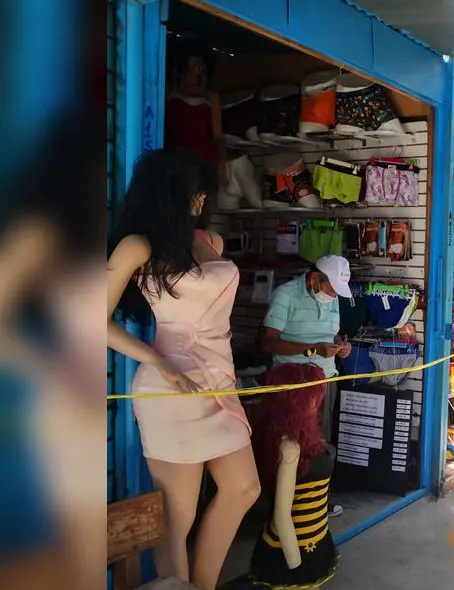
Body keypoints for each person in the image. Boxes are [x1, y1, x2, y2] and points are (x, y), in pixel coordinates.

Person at [107, 149, 261, 589]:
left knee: (244, 489)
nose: (202, 201)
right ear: (173, 192)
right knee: (179, 515)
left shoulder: (209, 240)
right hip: (169, 387)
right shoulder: (138, 246)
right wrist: (156, 360)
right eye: (197, 192)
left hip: (220, 380)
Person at [259, 255, 354, 516]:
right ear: (314, 278)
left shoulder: (333, 298)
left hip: (325, 379)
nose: (333, 295)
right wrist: (312, 350)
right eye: (331, 288)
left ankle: (315, 503)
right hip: (293, 384)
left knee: (319, 443)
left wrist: (339, 345)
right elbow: (268, 342)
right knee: (290, 443)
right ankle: (285, 506)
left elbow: (329, 333)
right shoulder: (285, 295)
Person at [249, 363, 340, 589]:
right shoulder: (289, 446)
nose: (317, 401)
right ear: (297, 399)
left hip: (315, 537)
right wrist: (297, 568)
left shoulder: (305, 432)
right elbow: (281, 514)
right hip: (292, 548)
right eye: (312, 394)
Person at [166, 37, 227, 193]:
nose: (199, 62)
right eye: (194, 56)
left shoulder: (211, 97)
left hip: (203, 164)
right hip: (174, 163)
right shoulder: (167, 92)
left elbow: (218, 137)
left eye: (201, 58)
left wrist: (222, 166)